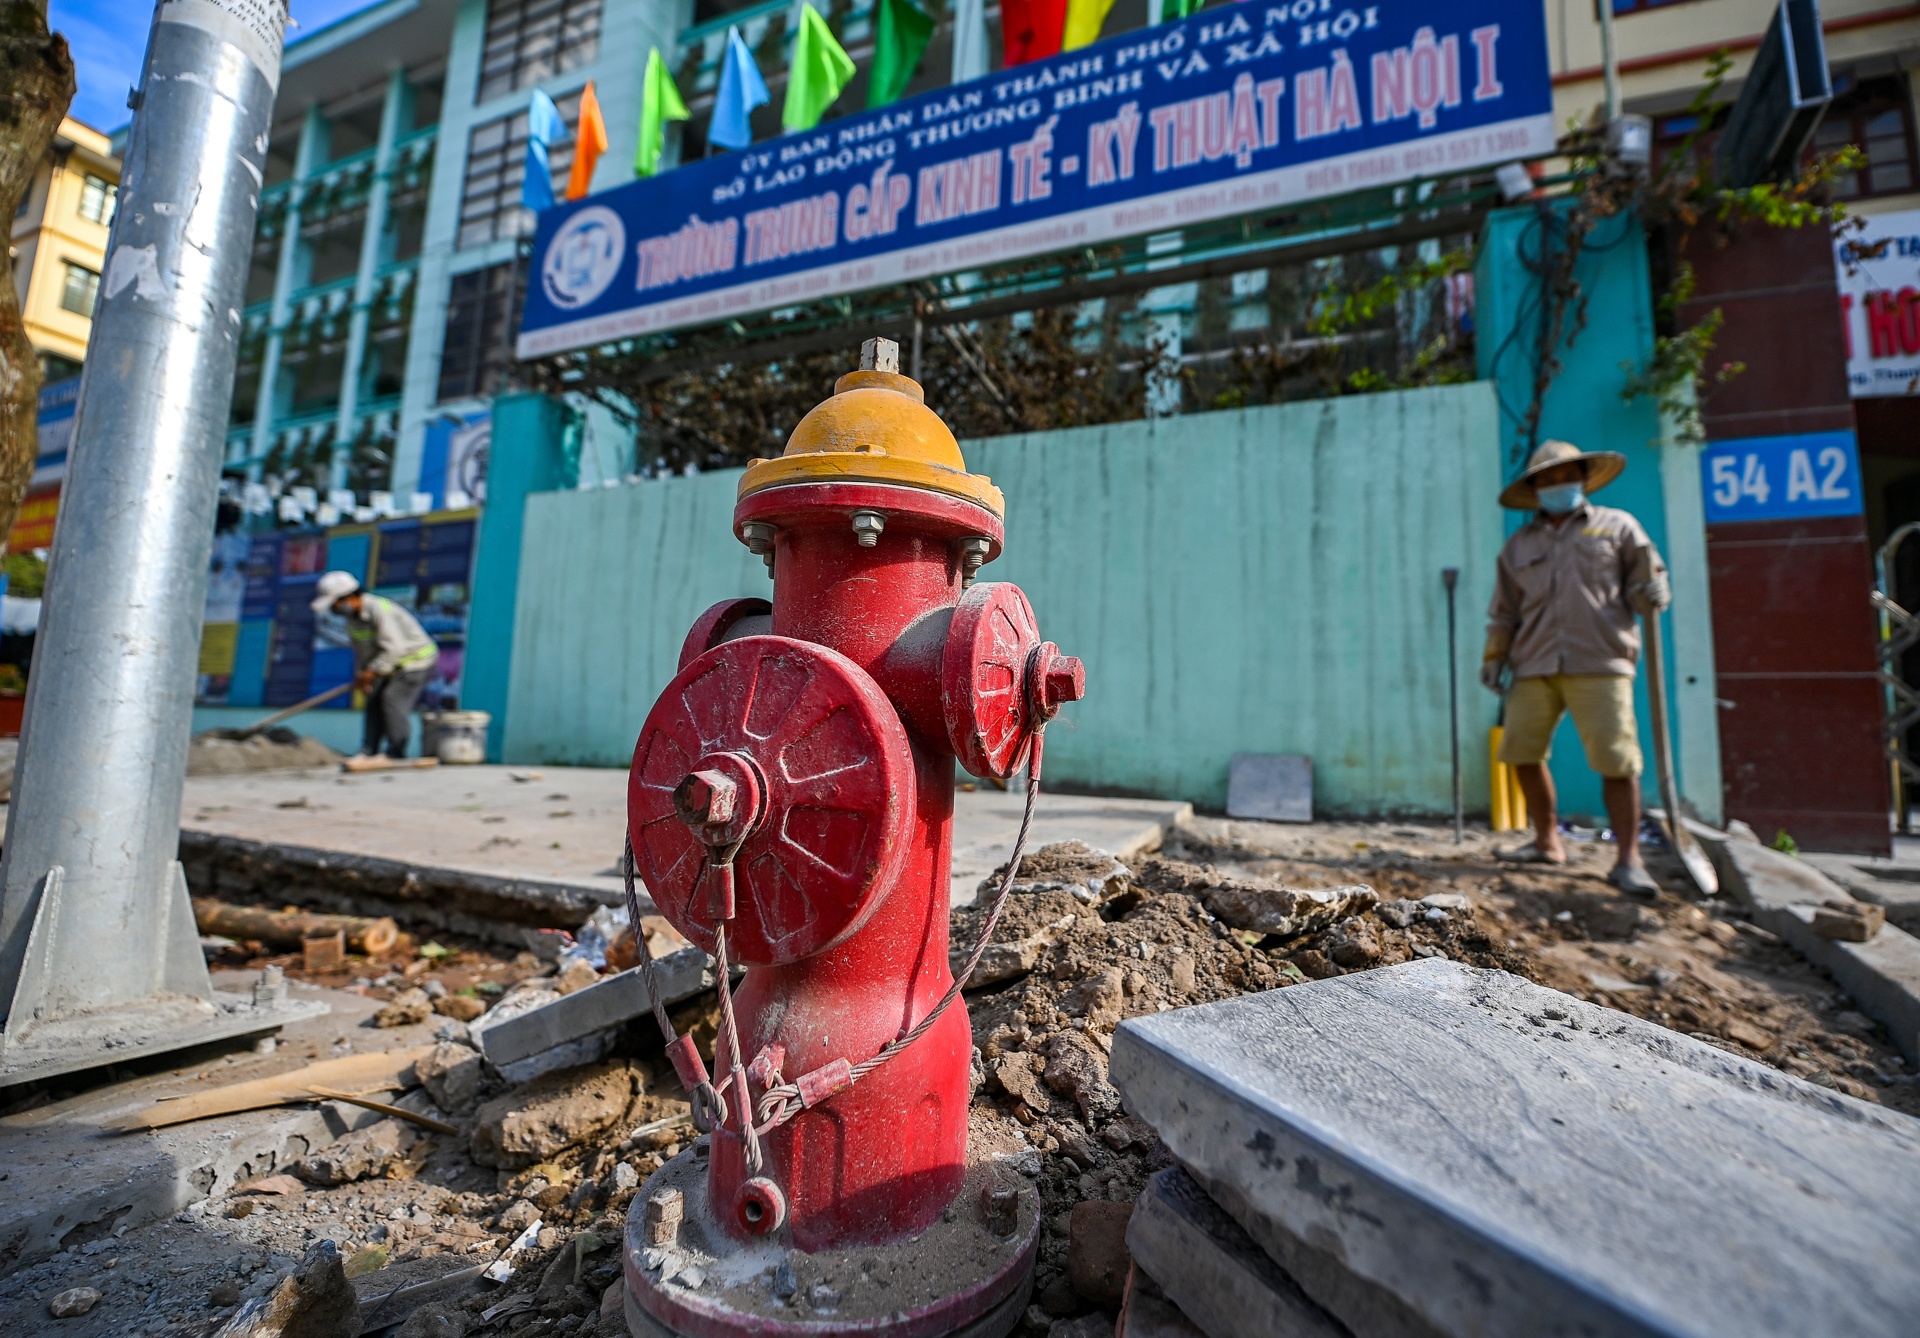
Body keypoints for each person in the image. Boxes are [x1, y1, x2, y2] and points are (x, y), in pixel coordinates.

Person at [1481, 440, 1671, 896]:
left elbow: (1648, 582)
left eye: (1563, 477)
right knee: (1521, 752)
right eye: (1545, 480)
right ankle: (1547, 841)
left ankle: (1628, 860)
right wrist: (1494, 656)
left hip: (1600, 660)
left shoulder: (1619, 528)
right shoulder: (1518, 546)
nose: (1555, 486)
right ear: (1534, 489)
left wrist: (1655, 593)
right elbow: (1505, 611)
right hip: (1534, 661)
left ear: (1583, 478)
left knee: (1617, 760)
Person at [311, 571, 438, 760]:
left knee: (392, 698)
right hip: (389, 664)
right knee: (373, 698)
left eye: (334, 604)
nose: (334, 610)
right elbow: (363, 652)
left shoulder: (379, 609)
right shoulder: (352, 619)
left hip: (415, 660)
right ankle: (369, 749)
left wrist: (372, 671)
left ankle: (396, 751)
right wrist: (364, 675)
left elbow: (394, 648)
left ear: (349, 598)